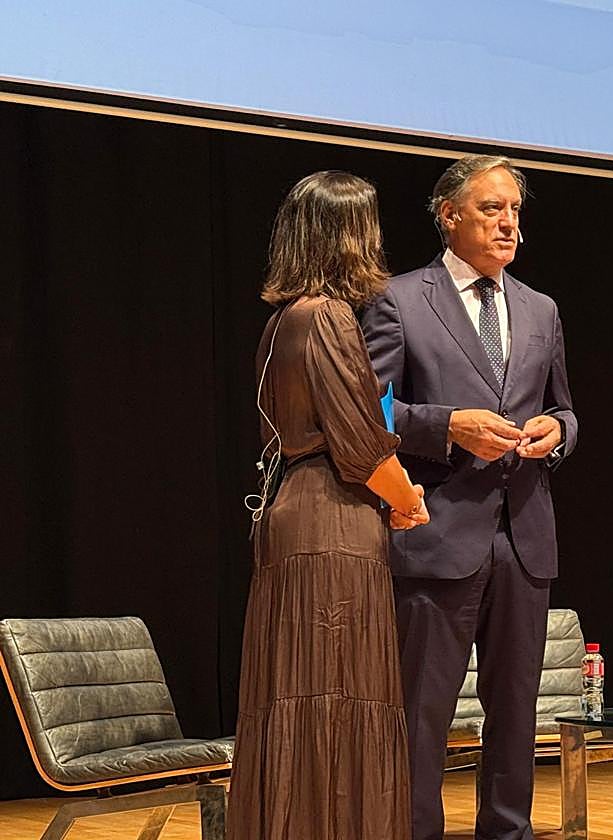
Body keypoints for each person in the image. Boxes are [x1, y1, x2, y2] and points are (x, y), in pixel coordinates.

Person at [359, 154, 578, 840]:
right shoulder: (399, 299)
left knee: (516, 712)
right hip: (437, 535)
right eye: (491, 208)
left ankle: (507, 832)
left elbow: (566, 411)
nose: (508, 223)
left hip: (525, 537)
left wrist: (557, 432)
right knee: (421, 713)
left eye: (514, 209)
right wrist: (447, 425)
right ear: (448, 215)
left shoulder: (539, 307)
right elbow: (366, 411)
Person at [227, 171, 429, 840]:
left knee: (294, 705)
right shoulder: (331, 317)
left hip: (291, 516)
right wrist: (408, 502)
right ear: (349, 237)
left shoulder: (282, 321)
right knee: (339, 705)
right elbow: (363, 449)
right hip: (332, 525)